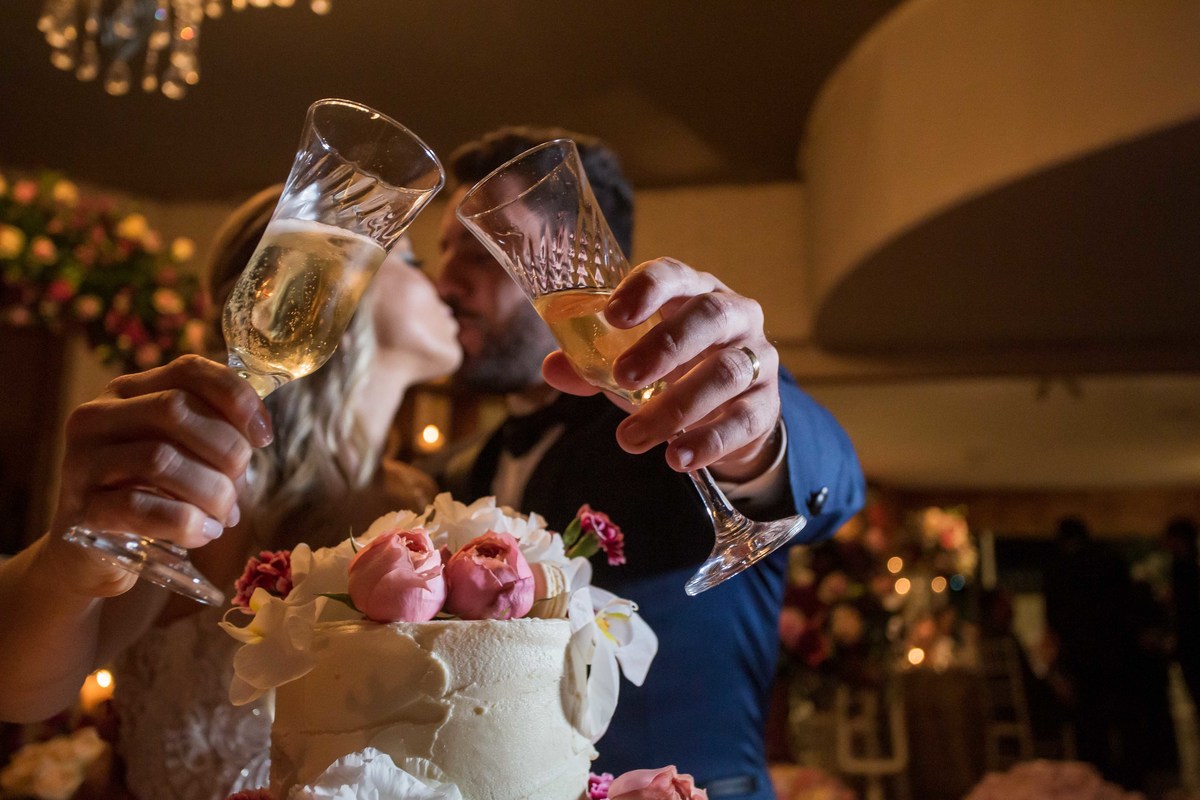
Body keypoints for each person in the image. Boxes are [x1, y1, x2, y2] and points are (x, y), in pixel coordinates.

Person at [426, 126, 865, 798]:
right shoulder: (459, 473)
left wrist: (757, 443)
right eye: (445, 250)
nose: (444, 281)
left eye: (483, 251)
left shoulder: (679, 412)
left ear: (573, 263)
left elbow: (833, 479)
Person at [0, 186, 462, 800]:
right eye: (413, 261)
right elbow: (19, 688)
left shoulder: (419, 505)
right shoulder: (210, 490)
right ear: (328, 288)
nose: (444, 286)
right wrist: (69, 560)